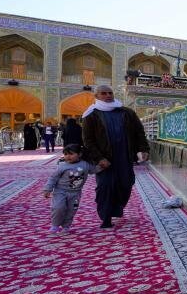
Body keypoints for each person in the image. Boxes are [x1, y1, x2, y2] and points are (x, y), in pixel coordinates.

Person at [82, 85, 149, 228]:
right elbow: (88, 141)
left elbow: (139, 132)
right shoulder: (91, 115)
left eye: (110, 93)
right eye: (103, 93)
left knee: (125, 185)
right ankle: (106, 217)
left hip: (124, 158)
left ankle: (117, 208)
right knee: (105, 187)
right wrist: (99, 158)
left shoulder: (127, 113)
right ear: (96, 96)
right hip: (105, 160)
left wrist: (143, 149)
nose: (108, 95)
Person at [43, 143, 102, 232]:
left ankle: (66, 226)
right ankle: (55, 225)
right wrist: (48, 189)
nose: (68, 156)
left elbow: (94, 170)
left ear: (79, 154)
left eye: (71, 154)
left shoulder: (85, 164)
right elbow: (53, 178)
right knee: (58, 208)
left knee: (71, 210)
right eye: (66, 154)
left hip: (75, 193)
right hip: (60, 191)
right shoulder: (62, 165)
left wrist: (103, 166)